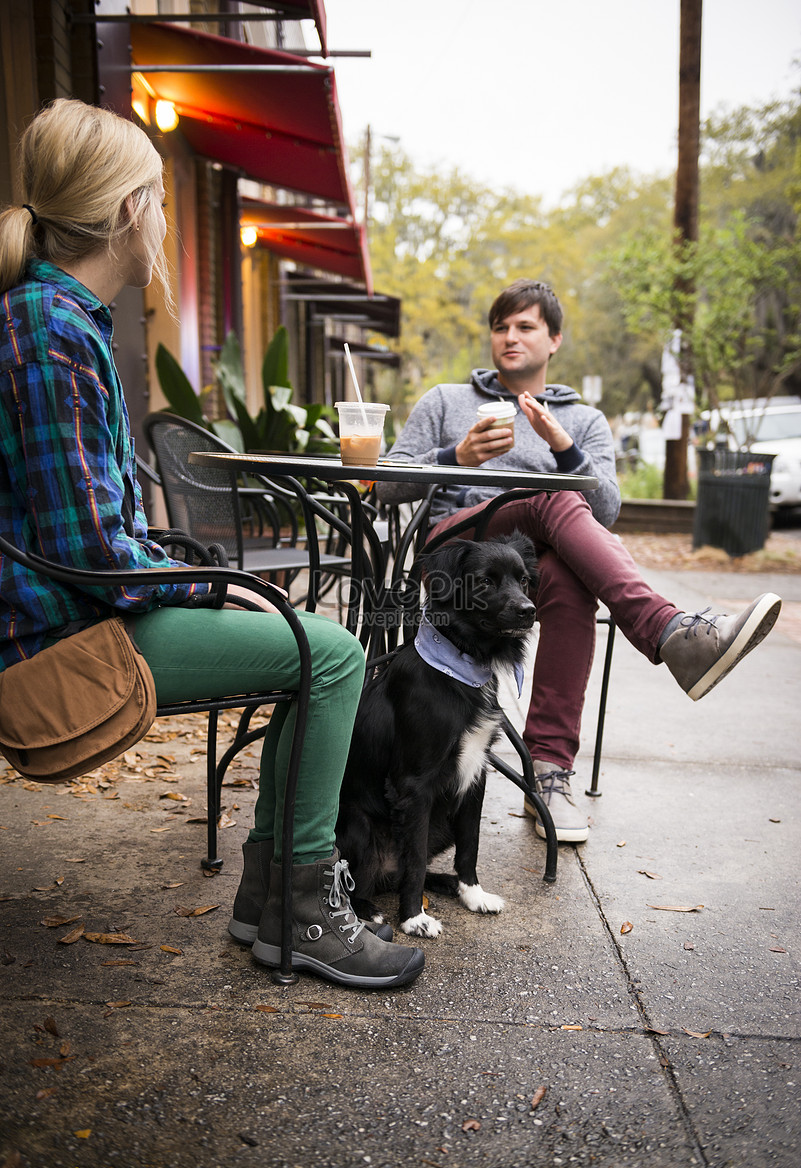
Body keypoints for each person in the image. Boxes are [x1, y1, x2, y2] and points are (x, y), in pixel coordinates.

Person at [0, 98, 423, 990]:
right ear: (125, 213)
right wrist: (202, 585)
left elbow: (91, 531)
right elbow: (92, 553)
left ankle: (273, 905)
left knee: (312, 650)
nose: (162, 218)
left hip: (73, 610)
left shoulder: (56, 316)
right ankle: (298, 911)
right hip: (58, 641)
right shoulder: (51, 328)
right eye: (157, 198)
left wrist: (196, 572)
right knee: (336, 656)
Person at [376, 278, 782, 842]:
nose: (509, 337)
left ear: (555, 339)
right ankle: (670, 632)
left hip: (524, 570)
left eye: (525, 327)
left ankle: (548, 774)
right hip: (457, 557)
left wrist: (565, 448)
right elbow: (384, 487)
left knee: (567, 580)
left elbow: (608, 510)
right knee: (554, 496)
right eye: (501, 327)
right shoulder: (446, 401)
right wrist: (456, 456)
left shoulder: (584, 419)